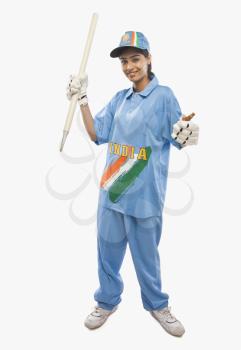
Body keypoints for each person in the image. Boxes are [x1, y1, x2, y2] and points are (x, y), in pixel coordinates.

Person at [66, 31, 199, 336]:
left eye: (135, 59)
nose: (129, 67)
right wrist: (82, 99)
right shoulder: (118, 100)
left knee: (147, 259)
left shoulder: (164, 96)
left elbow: (179, 137)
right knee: (107, 255)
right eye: (124, 61)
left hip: (146, 196)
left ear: (149, 59)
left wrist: (186, 130)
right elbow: (97, 134)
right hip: (112, 191)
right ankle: (106, 302)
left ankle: (157, 305)